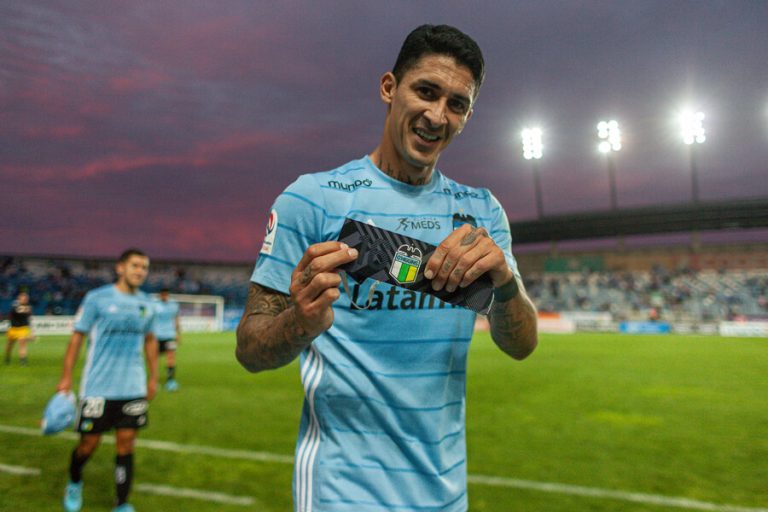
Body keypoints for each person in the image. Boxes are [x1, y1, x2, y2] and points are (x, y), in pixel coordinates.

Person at [236, 24, 538, 512]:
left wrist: (504, 284)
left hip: (444, 493)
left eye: (457, 104)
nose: (437, 115)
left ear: (467, 116)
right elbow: (251, 349)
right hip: (342, 492)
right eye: (426, 91)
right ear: (389, 87)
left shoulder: (481, 213)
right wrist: (300, 321)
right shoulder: (311, 200)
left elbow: (521, 345)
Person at [57, 249, 158, 512]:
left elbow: (149, 340)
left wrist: (153, 377)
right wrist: (66, 377)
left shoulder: (147, 303)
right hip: (98, 387)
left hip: (133, 387)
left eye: (144, 267)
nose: (140, 271)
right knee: (88, 445)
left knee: (126, 443)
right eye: (135, 265)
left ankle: (121, 503)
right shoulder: (97, 299)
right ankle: (74, 481)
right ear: (120, 268)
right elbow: (77, 338)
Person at [153, 287, 181, 391]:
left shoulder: (174, 305)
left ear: (168, 295)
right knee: (155, 358)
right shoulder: (154, 305)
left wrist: (178, 334)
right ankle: (154, 380)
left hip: (170, 335)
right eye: (163, 295)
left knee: (171, 357)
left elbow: (176, 319)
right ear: (160, 295)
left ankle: (171, 381)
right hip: (157, 336)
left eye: (166, 295)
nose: (164, 297)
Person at [4, 291, 34, 365]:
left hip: (23, 328)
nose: (25, 300)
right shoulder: (15, 305)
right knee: (10, 345)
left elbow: (29, 318)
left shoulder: (28, 306)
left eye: (26, 298)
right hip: (13, 328)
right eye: (23, 298)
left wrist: (31, 332)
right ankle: (7, 357)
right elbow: (17, 311)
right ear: (19, 298)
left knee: (22, 342)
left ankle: (23, 360)